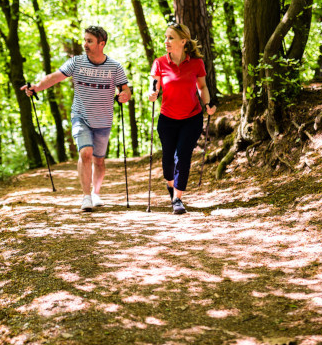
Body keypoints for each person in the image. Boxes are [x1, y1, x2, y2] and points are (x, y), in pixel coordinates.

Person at [23, 26, 131, 211]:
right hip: (80, 116)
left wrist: (124, 95)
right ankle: (86, 196)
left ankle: (96, 193)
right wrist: (36, 87)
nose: (85, 44)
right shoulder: (76, 62)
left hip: (103, 119)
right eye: (85, 40)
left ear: (101, 44)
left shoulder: (115, 67)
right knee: (85, 153)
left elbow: (125, 89)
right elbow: (54, 77)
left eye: (90, 41)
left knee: (99, 160)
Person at [148, 22, 217, 214]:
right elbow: (153, 85)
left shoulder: (196, 63)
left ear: (183, 41)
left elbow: (202, 87)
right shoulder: (159, 62)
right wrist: (152, 94)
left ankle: (177, 198)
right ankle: (171, 185)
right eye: (166, 37)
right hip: (167, 119)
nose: (166, 41)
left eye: (171, 38)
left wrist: (208, 104)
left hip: (191, 118)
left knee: (183, 157)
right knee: (168, 160)